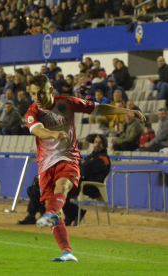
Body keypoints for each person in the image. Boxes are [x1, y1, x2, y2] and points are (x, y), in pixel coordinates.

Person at [25, 74, 144, 262]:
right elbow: (37, 130)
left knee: (61, 187)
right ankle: (67, 251)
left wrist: (124, 111)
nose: (37, 98)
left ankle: (51, 213)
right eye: (33, 94)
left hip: (68, 158)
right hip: (46, 164)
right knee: (54, 209)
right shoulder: (32, 112)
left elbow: (99, 108)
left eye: (40, 93)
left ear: (49, 90)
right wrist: (53, 134)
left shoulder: (68, 103)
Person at [62, 134, 111, 226]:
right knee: (61, 190)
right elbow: (81, 166)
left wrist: (82, 163)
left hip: (92, 187)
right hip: (82, 184)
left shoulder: (103, 158)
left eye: (100, 142)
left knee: (62, 191)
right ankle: (74, 214)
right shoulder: (92, 156)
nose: (97, 144)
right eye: (96, 142)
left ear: (105, 144)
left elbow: (84, 169)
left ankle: (73, 215)